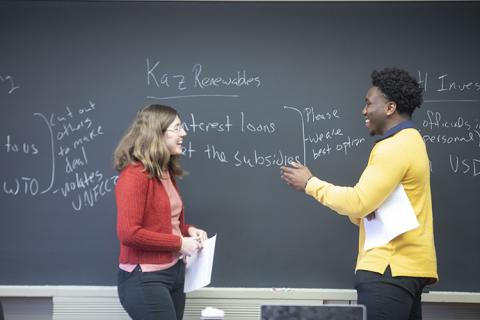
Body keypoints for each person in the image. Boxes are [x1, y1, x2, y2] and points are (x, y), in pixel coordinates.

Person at [280, 68, 438, 320]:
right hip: (407, 269)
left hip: (387, 270)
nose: (364, 111)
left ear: (389, 108)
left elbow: (358, 202)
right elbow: (367, 210)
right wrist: (360, 210)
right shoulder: (413, 140)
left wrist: (310, 183)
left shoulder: (393, 147)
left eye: (368, 103)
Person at [113, 104, 208, 320]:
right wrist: (180, 243)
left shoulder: (164, 172)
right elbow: (129, 233)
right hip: (145, 279)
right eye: (177, 128)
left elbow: (164, 222)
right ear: (157, 132)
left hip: (173, 272)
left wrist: (188, 230)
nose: (184, 133)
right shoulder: (134, 176)